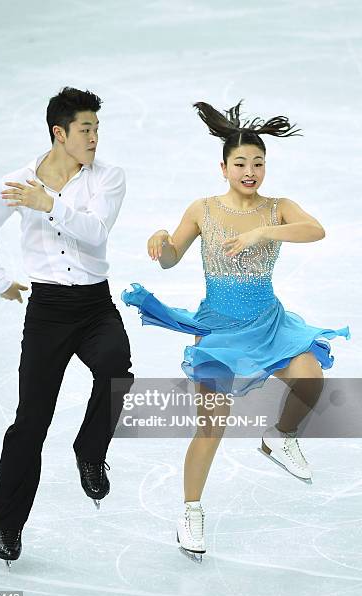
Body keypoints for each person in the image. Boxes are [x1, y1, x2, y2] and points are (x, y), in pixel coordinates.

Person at [121, 99, 351, 562]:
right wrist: (163, 238)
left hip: (269, 322)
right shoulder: (203, 210)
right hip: (221, 332)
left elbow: (316, 230)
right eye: (241, 163)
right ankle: (190, 512)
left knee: (311, 378)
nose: (250, 171)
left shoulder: (277, 208)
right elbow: (169, 260)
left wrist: (263, 233)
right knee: (212, 428)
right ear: (223, 167)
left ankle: (281, 438)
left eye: (258, 163)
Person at [0, 86, 134, 568]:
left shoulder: (109, 178)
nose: (95, 138)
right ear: (59, 133)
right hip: (47, 313)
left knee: (117, 367)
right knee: (31, 420)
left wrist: (49, 204)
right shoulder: (19, 182)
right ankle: (6, 523)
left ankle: (89, 449)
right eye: (86, 129)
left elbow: (95, 231)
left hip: (94, 306)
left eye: (98, 128)